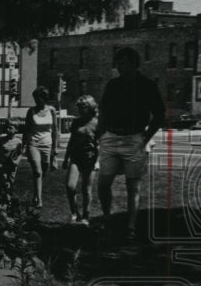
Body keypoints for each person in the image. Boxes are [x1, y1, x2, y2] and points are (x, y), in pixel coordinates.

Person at [95, 47, 166, 243]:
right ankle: (107, 219)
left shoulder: (147, 85)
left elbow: (159, 113)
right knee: (103, 183)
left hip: (134, 138)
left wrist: (146, 137)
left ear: (134, 63)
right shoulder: (113, 84)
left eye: (123, 63)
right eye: (117, 63)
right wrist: (101, 134)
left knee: (132, 186)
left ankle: (130, 227)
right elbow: (103, 111)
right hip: (110, 137)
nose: (118, 66)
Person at [61, 94, 100, 225]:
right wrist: (66, 159)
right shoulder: (76, 122)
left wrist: (98, 161)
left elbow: (101, 144)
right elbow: (71, 141)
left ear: (90, 107)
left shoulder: (97, 123)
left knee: (86, 189)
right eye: (78, 107)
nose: (79, 110)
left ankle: (86, 216)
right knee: (70, 186)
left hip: (90, 159)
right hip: (76, 158)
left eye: (82, 107)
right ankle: (74, 213)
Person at [23, 86, 59, 208]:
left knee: (43, 172)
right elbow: (26, 129)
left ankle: (35, 195)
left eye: (38, 99)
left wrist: (55, 148)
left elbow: (55, 130)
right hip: (33, 144)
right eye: (35, 99)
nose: (36, 101)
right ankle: (39, 200)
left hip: (47, 145)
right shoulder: (31, 111)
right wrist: (23, 146)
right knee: (37, 172)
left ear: (44, 98)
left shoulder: (52, 111)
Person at [0, 120, 23, 205]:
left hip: (12, 166)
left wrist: (17, 161)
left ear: (16, 130)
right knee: (5, 181)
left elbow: (20, 154)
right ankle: (6, 200)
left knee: (10, 182)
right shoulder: (1, 140)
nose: (7, 129)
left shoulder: (18, 142)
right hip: (2, 165)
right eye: (7, 127)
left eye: (10, 128)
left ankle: (6, 198)